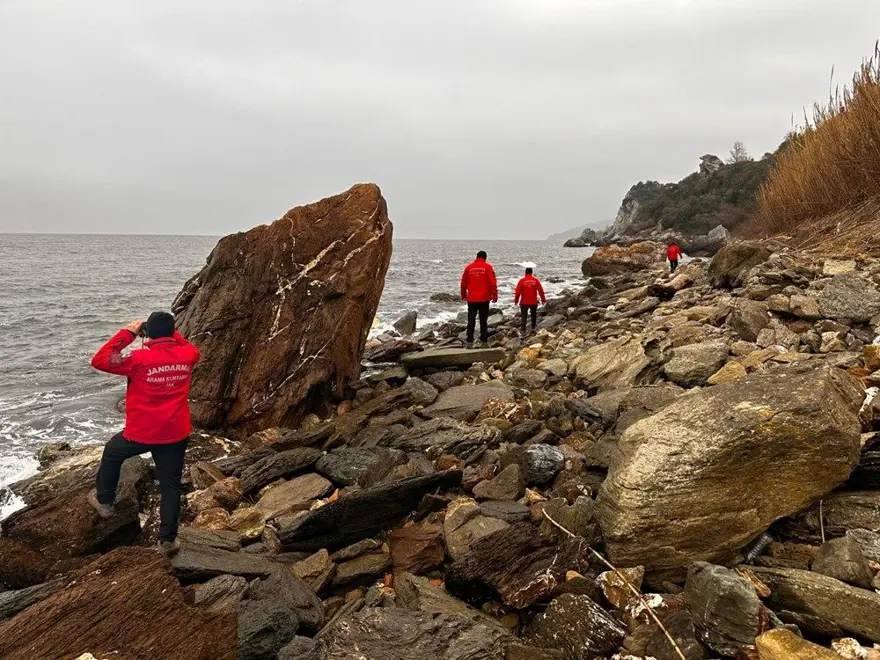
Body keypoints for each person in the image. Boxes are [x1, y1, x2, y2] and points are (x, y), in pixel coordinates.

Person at [87, 312, 200, 558]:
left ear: (149, 333)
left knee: (112, 453)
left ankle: (105, 501)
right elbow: (186, 345)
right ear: (172, 332)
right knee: (170, 486)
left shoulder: (140, 359)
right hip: (175, 432)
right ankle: (168, 541)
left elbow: (100, 359)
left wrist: (129, 333)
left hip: (142, 433)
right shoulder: (188, 354)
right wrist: (169, 334)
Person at [460, 250, 498, 348]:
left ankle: (469, 341)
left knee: (471, 320)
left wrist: (463, 295)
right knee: (483, 320)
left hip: (472, 298)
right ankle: (484, 342)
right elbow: (492, 283)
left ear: (476, 257)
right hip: (484, 298)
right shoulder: (488, 267)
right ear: (485, 258)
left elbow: (463, 283)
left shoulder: (469, 268)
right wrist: (494, 295)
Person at [514, 267, 546, 335]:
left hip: (524, 302)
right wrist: (543, 300)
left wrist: (516, 301)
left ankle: (523, 330)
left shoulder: (522, 281)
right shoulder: (536, 280)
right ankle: (533, 328)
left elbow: (517, 292)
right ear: (532, 273)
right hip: (533, 302)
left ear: (525, 273)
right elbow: (541, 291)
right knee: (533, 315)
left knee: (524, 316)